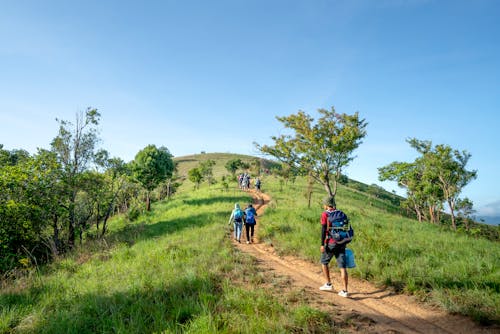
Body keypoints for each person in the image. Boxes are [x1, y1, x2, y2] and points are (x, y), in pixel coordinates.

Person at [319, 196, 352, 297]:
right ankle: (345, 291)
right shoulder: (341, 213)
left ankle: (328, 284)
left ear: (326, 205)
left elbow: (323, 230)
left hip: (332, 243)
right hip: (342, 242)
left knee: (324, 262)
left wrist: (322, 244)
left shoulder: (325, 214)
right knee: (342, 267)